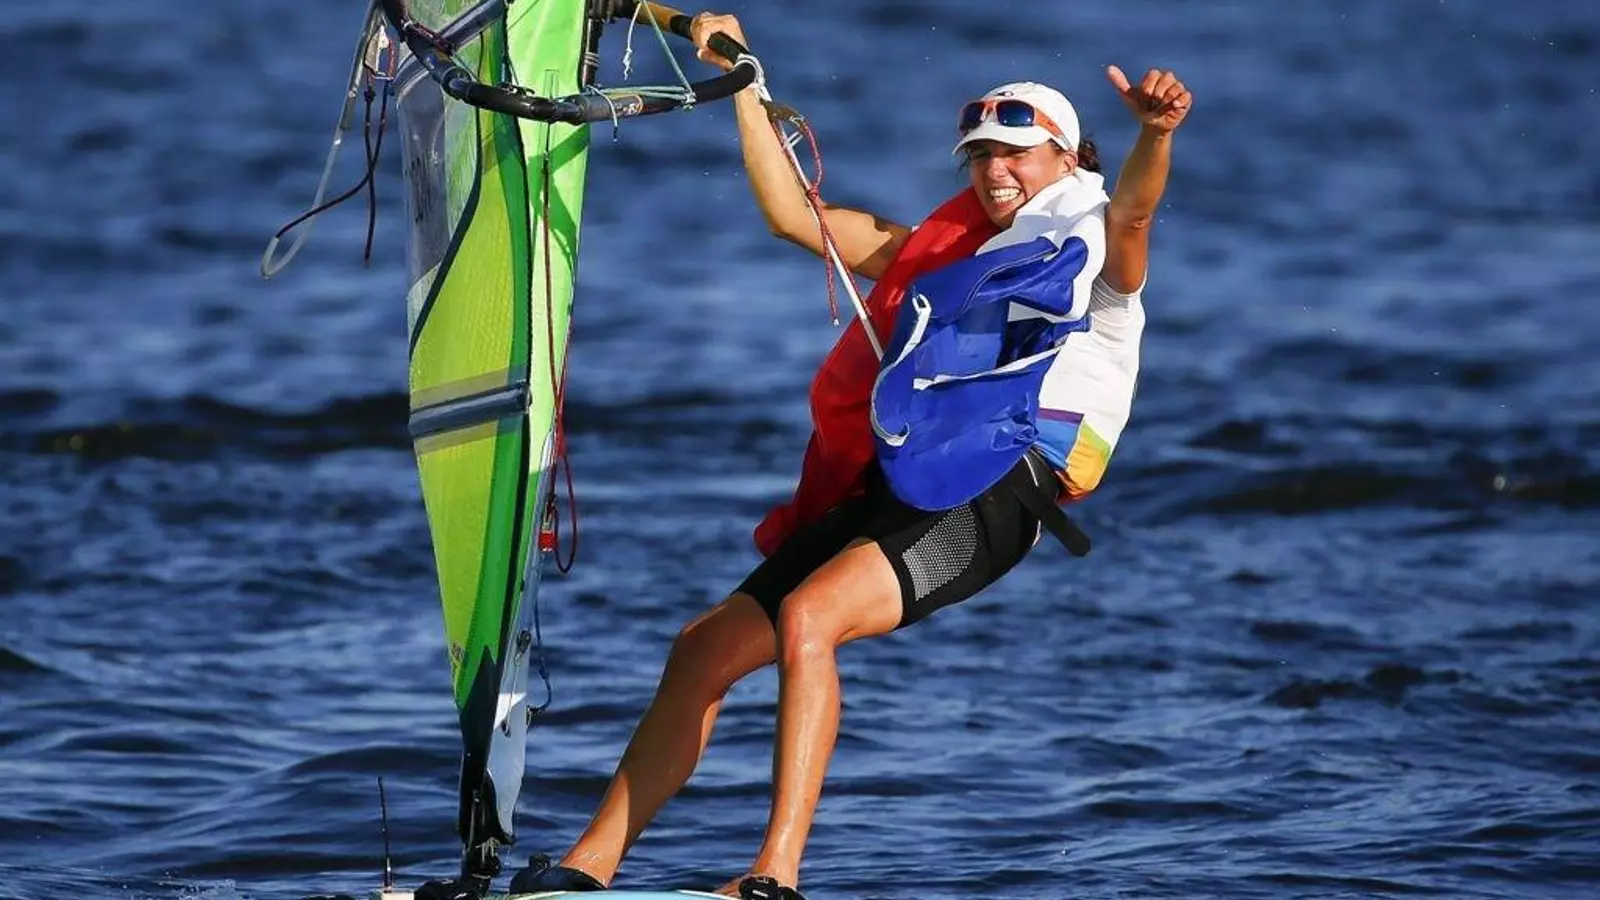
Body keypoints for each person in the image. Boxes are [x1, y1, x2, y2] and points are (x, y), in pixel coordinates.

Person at [511, 12, 1192, 900]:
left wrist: (1155, 133)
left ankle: (774, 878)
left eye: (1017, 155)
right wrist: (742, 85)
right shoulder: (942, 256)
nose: (994, 171)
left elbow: (1135, 209)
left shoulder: (1101, 261)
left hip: (1000, 492)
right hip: (911, 482)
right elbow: (792, 216)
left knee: (809, 619)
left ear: (1068, 160)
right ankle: (584, 871)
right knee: (701, 650)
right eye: (980, 156)